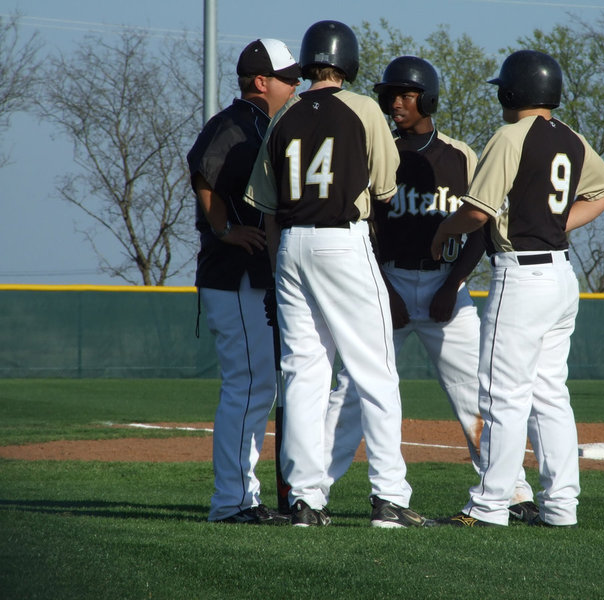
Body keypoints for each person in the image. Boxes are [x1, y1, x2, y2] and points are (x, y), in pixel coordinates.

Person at [321, 55, 538, 523]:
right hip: (387, 281)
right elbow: (365, 229)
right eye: (390, 94)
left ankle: (513, 493)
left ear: (429, 98)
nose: (395, 102)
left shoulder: (460, 155)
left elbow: (482, 227)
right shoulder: (378, 150)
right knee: (352, 390)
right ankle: (313, 490)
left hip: (446, 285)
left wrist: (453, 283)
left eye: (406, 94)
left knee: (475, 395)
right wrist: (386, 289)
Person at [243, 20, 426, 528]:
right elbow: (386, 189)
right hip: (343, 239)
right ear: (348, 63)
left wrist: (280, 270)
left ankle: (304, 500)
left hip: (292, 247)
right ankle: (388, 496)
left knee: (304, 375)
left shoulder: (284, 116)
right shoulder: (365, 108)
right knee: (375, 371)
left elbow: (268, 206)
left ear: (307, 63)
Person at [426, 50, 604, 528]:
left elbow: (477, 212)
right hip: (560, 275)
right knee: (550, 394)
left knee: (502, 396)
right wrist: (560, 225)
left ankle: (488, 506)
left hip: (522, 276)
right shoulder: (571, 139)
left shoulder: (510, 136)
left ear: (514, 92)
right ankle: (561, 507)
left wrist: (442, 231)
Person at [186, 38, 301, 524]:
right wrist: (225, 230)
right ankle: (231, 502)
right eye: (288, 78)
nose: (296, 86)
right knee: (248, 385)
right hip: (232, 277)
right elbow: (203, 174)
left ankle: (241, 499)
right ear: (261, 81)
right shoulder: (232, 123)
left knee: (256, 387)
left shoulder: (264, 123)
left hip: (251, 279)